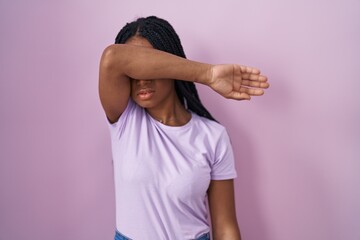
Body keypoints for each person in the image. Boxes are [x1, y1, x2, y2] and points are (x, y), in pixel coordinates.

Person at [99, 16, 269, 240]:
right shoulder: (124, 120)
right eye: (134, 70)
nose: (140, 79)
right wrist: (207, 74)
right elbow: (113, 58)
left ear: (173, 64)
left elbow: (225, 226)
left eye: (149, 65)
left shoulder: (213, 136)